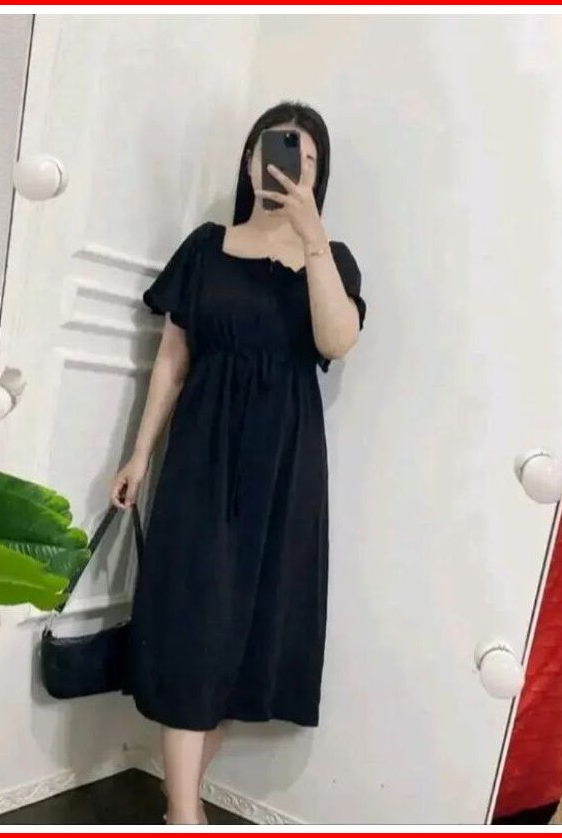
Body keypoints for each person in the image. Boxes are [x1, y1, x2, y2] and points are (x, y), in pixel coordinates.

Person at [110, 101, 366, 825]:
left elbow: (337, 340)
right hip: (202, 455)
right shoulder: (205, 248)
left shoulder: (333, 257)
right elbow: (172, 358)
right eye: (274, 151)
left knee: (247, 632)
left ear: (318, 178)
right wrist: (139, 453)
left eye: (305, 161)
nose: (287, 169)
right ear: (250, 161)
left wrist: (314, 242)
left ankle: (178, 803)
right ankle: (185, 818)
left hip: (284, 466)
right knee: (192, 622)